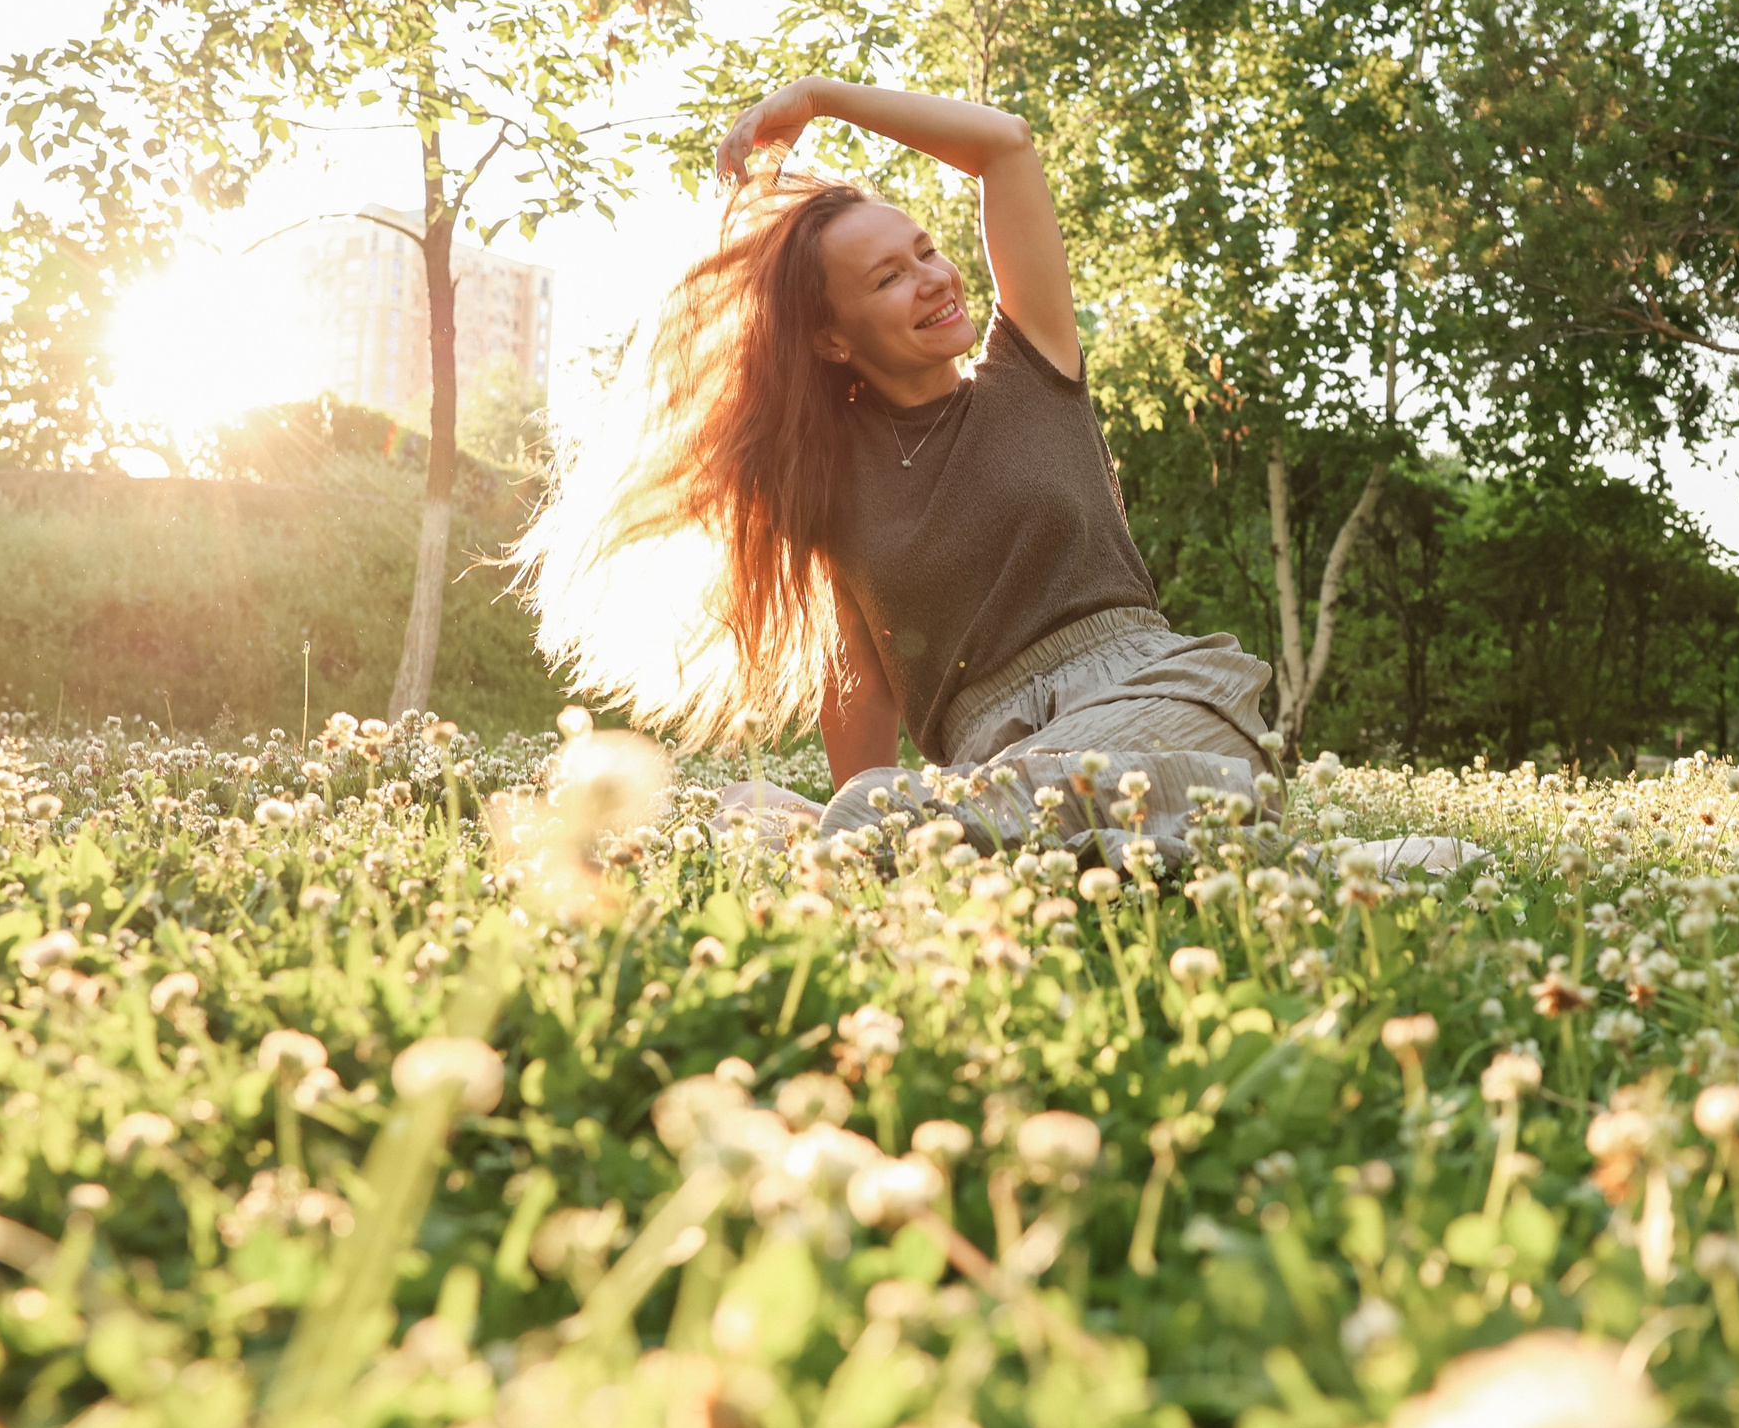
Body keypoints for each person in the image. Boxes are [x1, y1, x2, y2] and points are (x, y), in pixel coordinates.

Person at [512, 76, 1279, 863]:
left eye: (926, 250)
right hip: (994, 767)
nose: (936, 277)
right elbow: (863, 682)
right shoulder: (832, 480)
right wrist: (860, 820)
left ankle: (1022, 844)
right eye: (888, 278)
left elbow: (1005, 145)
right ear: (832, 339)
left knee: (885, 829)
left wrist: (820, 97)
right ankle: (1103, 855)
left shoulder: (1034, 370)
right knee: (759, 811)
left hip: (1153, 707)